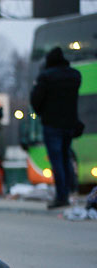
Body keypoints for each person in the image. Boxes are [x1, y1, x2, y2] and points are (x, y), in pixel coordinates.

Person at [30, 46, 82, 209]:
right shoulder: (75, 75)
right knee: (66, 157)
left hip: (52, 124)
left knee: (57, 159)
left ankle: (61, 196)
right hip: (69, 123)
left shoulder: (46, 77)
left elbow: (36, 100)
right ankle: (71, 190)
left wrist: (41, 112)